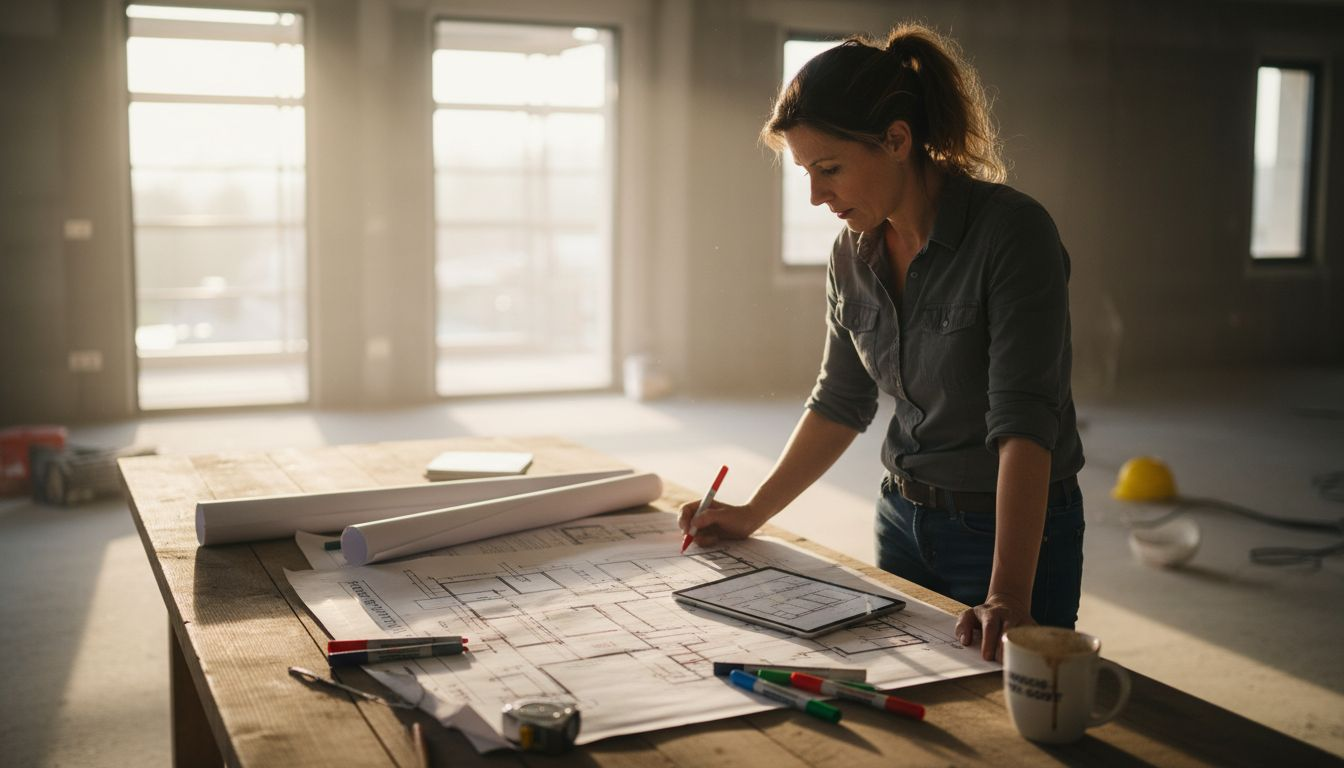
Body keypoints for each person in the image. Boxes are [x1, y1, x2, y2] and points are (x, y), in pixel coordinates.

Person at [678, 22, 1085, 661]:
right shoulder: (852, 251)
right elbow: (840, 400)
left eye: (830, 169)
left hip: (1010, 537)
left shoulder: (1013, 234)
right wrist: (753, 511)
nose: (816, 196)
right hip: (900, 519)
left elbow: (1025, 424)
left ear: (897, 139)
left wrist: (1007, 591)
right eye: (806, 174)